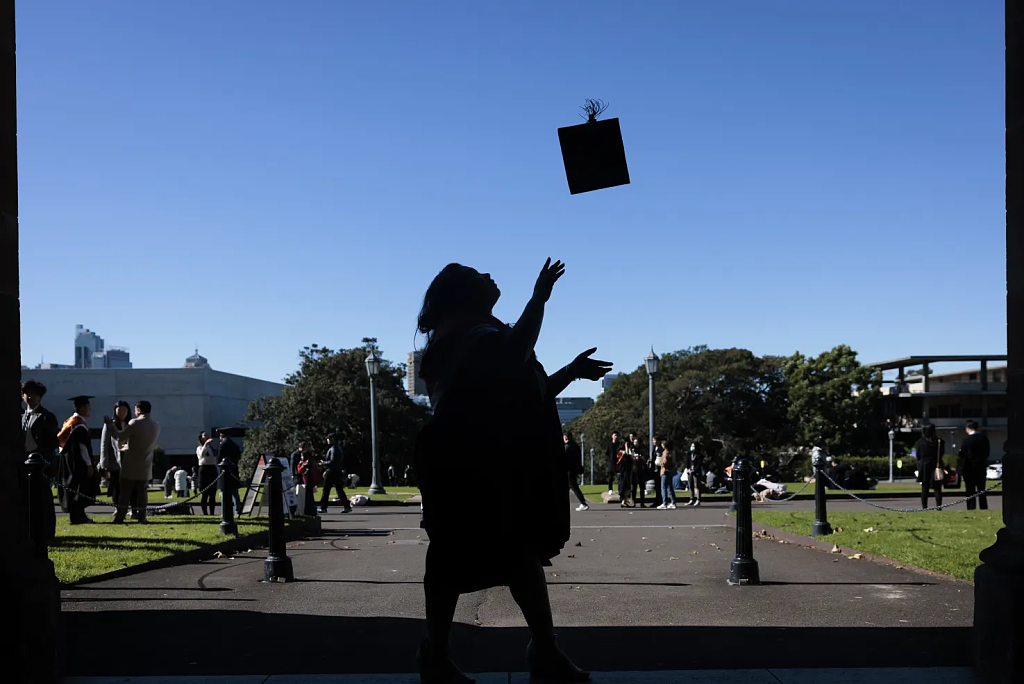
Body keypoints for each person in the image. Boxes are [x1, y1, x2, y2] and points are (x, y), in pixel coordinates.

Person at [414, 259, 607, 683]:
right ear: (465, 293)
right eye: (478, 275)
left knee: (519, 555)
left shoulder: (479, 335)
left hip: (486, 461)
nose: (490, 276)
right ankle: (440, 655)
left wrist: (571, 372)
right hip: (467, 465)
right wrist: (538, 297)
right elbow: (512, 355)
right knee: (454, 560)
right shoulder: (465, 336)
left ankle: (543, 649)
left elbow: (525, 391)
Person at [105, 400, 162, 524]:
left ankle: (120, 517)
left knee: (125, 492)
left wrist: (110, 426)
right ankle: (142, 517)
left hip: (131, 464)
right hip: (146, 464)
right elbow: (142, 443)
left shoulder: (134, 422)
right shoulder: (156, 425)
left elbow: (120, 437)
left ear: (139, 410)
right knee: (142, 492)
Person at [21, 380, 59, 538]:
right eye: (26, 393)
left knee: (45, 500)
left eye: (33, 394)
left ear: (40, 397)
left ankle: (48, 531)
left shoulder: (46, 417)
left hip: (41, 463)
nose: (29, 397)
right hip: (24, 463)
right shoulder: (21, 416)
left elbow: (52, 442)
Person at [57, 395, 99, 525]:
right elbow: (82, 447)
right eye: (87, 407)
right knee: (79, 489)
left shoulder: (69, 422)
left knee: (74, 488)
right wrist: (88, 464)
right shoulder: (78, 424)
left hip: (69, 461)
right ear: (81, 408)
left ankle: (79, 516)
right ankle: (78, 517)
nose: (89, 410)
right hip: (79, 462)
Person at [99, 401, 130, 507]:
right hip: (115, 460)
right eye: (119, 410)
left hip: (128, 460)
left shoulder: (131, 424)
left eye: (124, 410)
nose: (122, 413)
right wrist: (104, 462)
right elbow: (104, 443)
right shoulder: (110, 424)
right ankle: (117, 506)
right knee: (116, 485)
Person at [958, 420, 991, 510]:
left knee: (970, 489)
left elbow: (962, 455)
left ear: (968, 429)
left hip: (969, 467)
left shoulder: (966, 440)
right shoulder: (984, 439)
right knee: (981, 489)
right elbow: (987, 453)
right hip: (981, 466)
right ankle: (983, 506)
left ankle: (971, 507)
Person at [319, 433, 353, 514]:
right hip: (336, 471)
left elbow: (332, 462)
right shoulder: (337, 448)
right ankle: (347, 506)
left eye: (328, 439)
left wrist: (323, 463)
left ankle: (323, 507)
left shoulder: (334, 449)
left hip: (332, 472)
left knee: (326, 490)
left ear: (332, 439)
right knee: (339, 490)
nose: (327, 440)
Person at [914, 424, 947, 509]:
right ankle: (939, 506)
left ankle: (924, 507)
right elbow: (941, 454)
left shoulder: (920, 442)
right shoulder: (939, 442)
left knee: (925, 488)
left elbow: (918, 455)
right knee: (937, 488)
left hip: (924, 466)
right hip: (936, 465)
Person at [217, 429, 244, 515]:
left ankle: (225, 510)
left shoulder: (223, 444)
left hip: (225, 470)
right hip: (233, 469)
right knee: (235, 492)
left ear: (221, 435)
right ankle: (237, 509)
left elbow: (219, 457)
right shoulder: (234, 445)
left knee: (223, 491)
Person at [196, 432, 219, 515]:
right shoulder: (199, 448)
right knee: (204, 493)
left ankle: (212, 512)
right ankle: (205, 513)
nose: (207, 436)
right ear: (201, 438)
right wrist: (205, 444)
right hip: (204, 469)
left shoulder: (211, 448)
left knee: (212, 493)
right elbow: (201, 455)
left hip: (212, 469)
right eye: (204, 435)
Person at [564, 432, 588, 511]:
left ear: (565, 438)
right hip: (575, 469)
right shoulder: (575, 445)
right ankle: (583, 503)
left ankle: (583, 503)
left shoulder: (567, 446)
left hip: (569, 470)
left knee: (574, 486)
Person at [296, 448, 321, 516]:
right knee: (310, 495)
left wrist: (299, 465)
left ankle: (309, 509)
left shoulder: (305, 463)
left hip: (307, 481)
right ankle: (312, 508)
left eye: (302, 456)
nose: (301, 457)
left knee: (308, 495)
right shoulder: (312, 462)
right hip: (312, 481)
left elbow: (300, 471)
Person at [656, 439, 677, 510]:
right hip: (669, 471)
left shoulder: (665, 452)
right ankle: (673, 502)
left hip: (665, 471)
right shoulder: (671, 452)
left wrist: (660, 461)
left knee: (663, 487)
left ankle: (664, 502)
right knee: (669, 487)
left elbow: (664, 462)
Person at [616, 435, 634, 508]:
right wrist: (626, 447)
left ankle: (624, 501)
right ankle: (623, 501)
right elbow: (625, 455)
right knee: (623, 486)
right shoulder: (620, 451)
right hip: (623, 471)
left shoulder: (630, 449)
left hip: (628, 470)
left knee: (628, 487)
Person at [686, 442, 704, 507]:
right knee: (690, 485)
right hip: (690, 471)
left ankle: (698, 499)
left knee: (697, 485)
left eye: (693, 446)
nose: (692, 447)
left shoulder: (699, 455)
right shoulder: (689, 454)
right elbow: (687, 462)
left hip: (696, 471)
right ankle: (691, 499)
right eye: (691, 446)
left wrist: (695, 470)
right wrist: (688, 469)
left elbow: (699, 464)